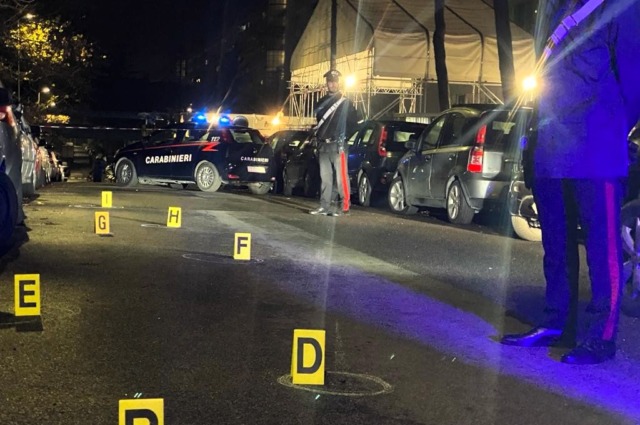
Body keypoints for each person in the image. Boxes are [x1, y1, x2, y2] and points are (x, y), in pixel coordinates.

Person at [500, 0, 640, 364]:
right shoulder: (553, 6)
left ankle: (601, 336)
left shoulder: (620, 6)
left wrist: (609, 127)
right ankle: (556, 322)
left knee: (601, 246)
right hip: (552, 145)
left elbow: (634, 79)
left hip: (596, 146)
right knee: (556, 242)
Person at [309, 69, 359, 217]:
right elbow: (320, 122)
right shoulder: (321, 102)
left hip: (338, 145)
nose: (333, 84)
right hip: (323, 144)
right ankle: (324, 206)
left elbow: (354, 124)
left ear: (339, 83)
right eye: (330, 82)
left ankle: (344, 207)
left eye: (335, 82)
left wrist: (344, 137)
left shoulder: (346, 103)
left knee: (341, 177)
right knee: (325, 178)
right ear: (327, 83)